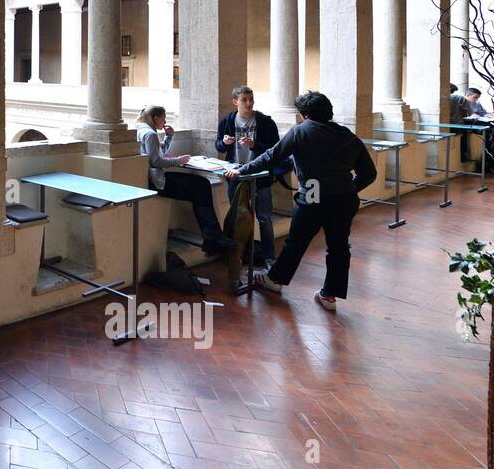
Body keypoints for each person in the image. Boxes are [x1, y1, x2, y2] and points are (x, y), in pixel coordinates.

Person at [225, 91, 377, 311]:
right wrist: (349, 188)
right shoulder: (347, 135)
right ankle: (329, 296)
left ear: (305, 114)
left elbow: (270, 156)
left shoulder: (301, 131)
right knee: (339, 247)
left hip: (313, 197)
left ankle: (275, 281)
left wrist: (241, 170)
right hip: (344, 200)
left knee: (296, 242)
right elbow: (369, 173)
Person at [134, 105, 234, 256]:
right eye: (163, 117)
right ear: (155, 118)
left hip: (153, 178)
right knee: (201, 186)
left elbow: (157, 154)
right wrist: (178, 161)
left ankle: (212, 238)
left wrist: (169, 137)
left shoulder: (142, 129)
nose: (165, 121)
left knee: (201, 185)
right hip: (156, 182)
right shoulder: (150, 134)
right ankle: (213, 238)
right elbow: (155, 161)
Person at [215, 86, 281, 266]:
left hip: (260, 175)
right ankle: (241, 254)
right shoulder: (227, 120)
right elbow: (219, 146)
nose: (249, 103)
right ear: (235, 102)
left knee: (264, 217)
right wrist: (224, 143)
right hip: (235, 174)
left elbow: (274, 150)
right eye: (244, 99)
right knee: (239, 217)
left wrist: (254, 145)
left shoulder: (266, 122)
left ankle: (269, 257)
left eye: (251, 99)